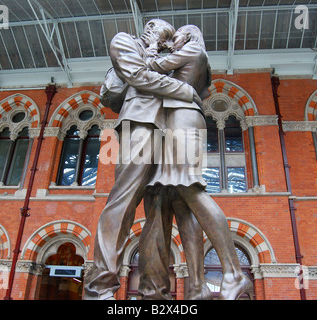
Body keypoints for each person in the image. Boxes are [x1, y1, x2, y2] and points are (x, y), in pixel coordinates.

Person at [84, 19, 206, 300]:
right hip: (138, 124)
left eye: (166, 41)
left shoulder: (167, 58)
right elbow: (138, 76)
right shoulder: (124, 41)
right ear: (148, 29)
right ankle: (99, 288)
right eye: (161, 37)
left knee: (161, 211)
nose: (163, 44)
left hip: (171, 129)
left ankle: (155, 292)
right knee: (122, 201)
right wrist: (185, 92)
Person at [138, 25, 254, 300]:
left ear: (188, 35)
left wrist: (154, 45)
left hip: (182, 119)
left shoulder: (192, 49)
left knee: (190, 188)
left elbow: (150, 67)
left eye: (176, 35)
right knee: (182, 202)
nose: (172, 40)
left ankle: (234, 273)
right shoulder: (197, 59)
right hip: (181, 119)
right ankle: (198, 287)